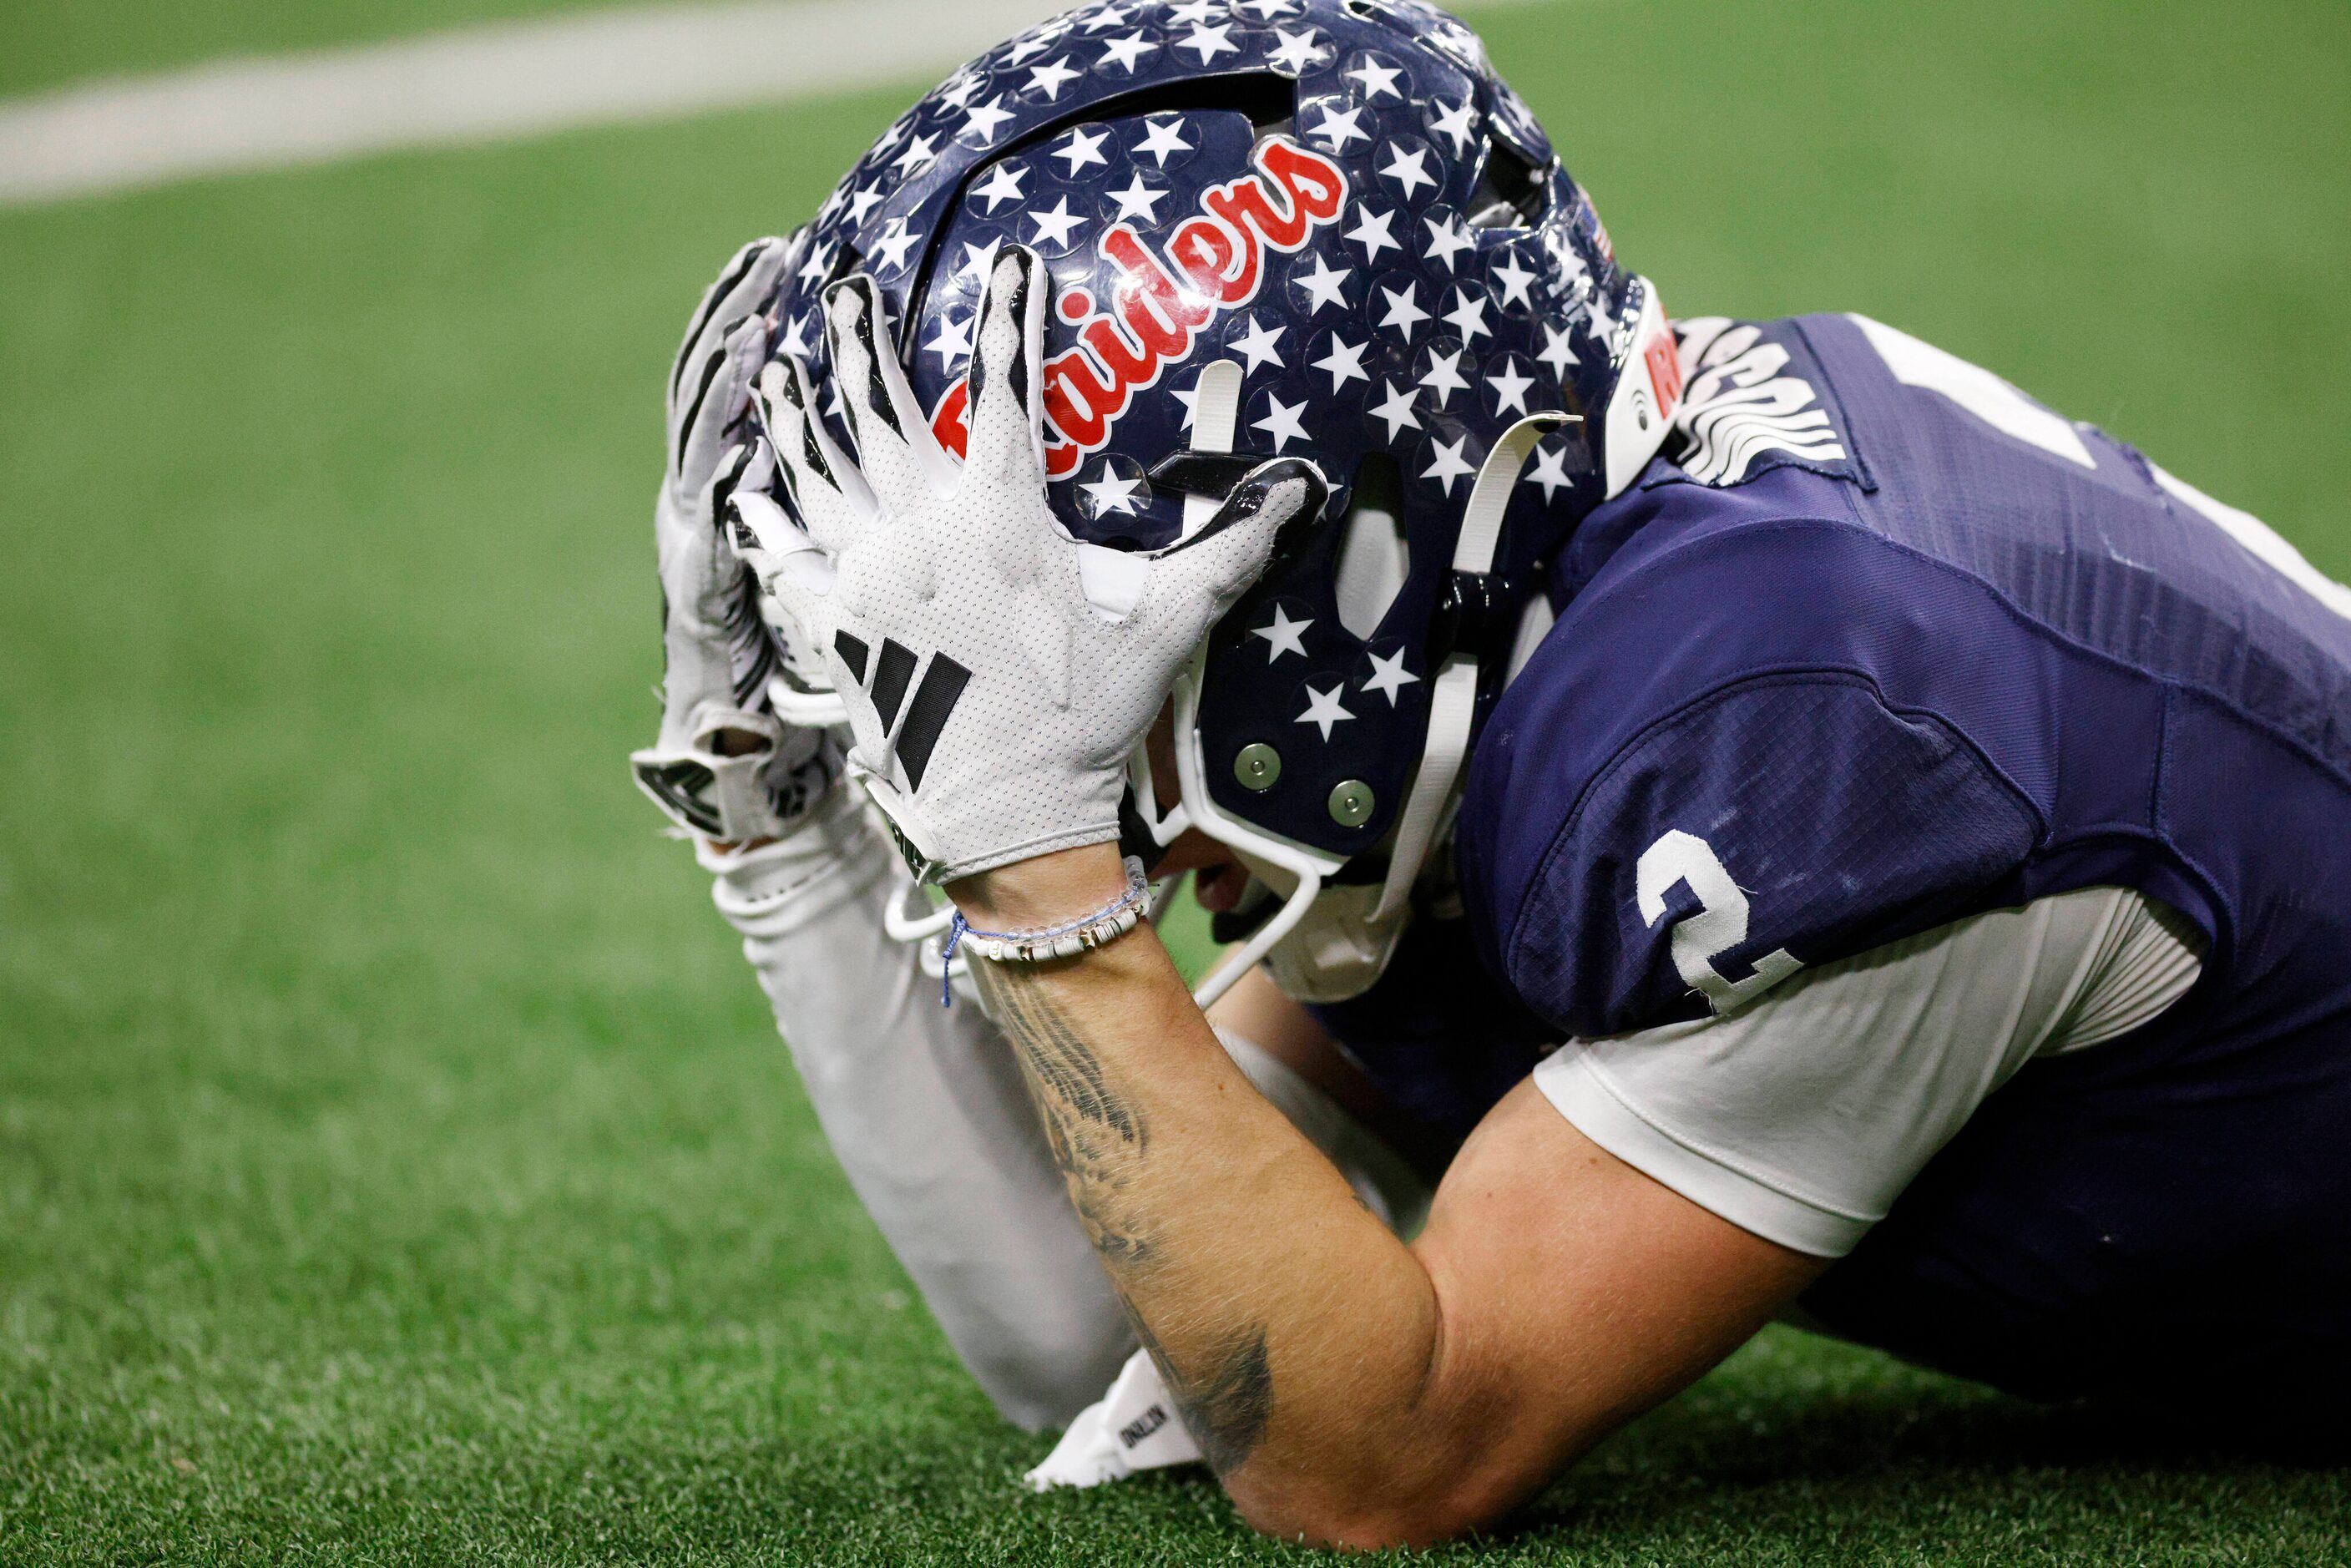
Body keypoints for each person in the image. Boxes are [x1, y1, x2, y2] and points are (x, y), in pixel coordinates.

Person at [633, 0, 2351, 1547]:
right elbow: (1119, 1312)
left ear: (1361, 547)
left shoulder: (1803, 729)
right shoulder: (1549, 593)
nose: (1113, 782)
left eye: (1113, 658)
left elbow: (1370, 1456)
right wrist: (783, 835)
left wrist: (1037, 869)